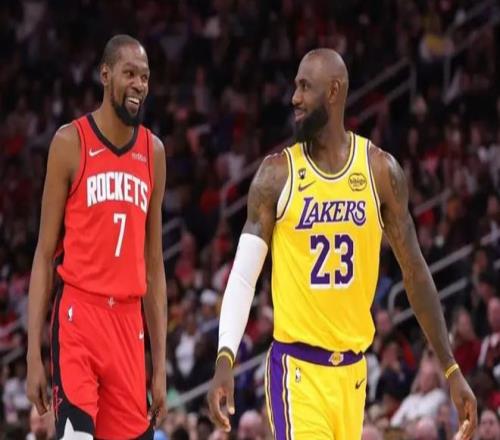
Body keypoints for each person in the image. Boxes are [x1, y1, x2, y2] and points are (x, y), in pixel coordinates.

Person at [207, 48, 477, 439]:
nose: (294, 98)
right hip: (296, 371)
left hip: (353, 375)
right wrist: (225, 357)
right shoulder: (276, 175)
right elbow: (244, 277)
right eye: (295, 87)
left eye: (305, 87)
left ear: (334, 91)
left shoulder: (380, 171)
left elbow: (415, 273)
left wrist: (451, 368)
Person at [26, 34, 167, 439]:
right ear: (105, 75)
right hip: (79, 318)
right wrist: (33, 353)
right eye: (129, 73)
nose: (139, 84)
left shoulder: (153, 152)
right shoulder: (70, 142)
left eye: (145, 77)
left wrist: (159, 366)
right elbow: (43, 255)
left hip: (127, 324)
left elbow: (154, 265)